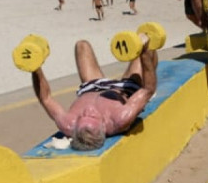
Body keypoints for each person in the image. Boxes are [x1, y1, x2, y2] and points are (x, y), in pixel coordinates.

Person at [29, 39, 158, 151]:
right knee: (144, 49)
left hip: (92, 86)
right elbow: (148, 89)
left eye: (82, 116)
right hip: (125, 88)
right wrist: (144, 51)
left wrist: (35, 68)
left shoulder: (68, 124)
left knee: (82, 45)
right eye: (93, 116)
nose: (89, 110)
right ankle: (150, 53)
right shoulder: (120, 119)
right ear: (104, 126)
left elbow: (45, 98)